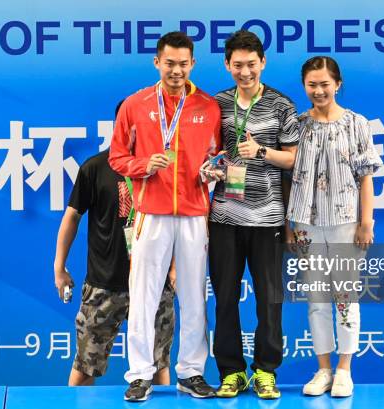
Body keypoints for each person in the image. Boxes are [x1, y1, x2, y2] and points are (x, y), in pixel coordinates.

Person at [109, 31, 221, 401]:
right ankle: (140, 374)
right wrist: (143, 165)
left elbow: (215, 156)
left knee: (193, 297)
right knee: (143, 295)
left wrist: (212, 171)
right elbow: (116, 158)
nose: (176, 70)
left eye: (183, 63)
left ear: (193, 65)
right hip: (151, 213)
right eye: (169, 63)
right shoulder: (135, 105)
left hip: (193, 213)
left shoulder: (208, 106)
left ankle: (190, 372)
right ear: (157, 62)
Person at [208, 30, 299, 400]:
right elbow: (209, 153)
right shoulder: (216, 104)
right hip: (224, 217)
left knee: (269, 299)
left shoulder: (281, 105)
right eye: (237, 65)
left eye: (251, 64)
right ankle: (231, 372)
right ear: (227, 65)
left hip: (268, 219)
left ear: (263, 62)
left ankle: (265, 370)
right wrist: (210, 168)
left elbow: (292, 159)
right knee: (225, 298)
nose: (245, 72)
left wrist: (261, 152)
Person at [286, 56, 382, 398]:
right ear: (305, 87)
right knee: (316, 299)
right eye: (312, 85)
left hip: (345, 222)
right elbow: (288, 176)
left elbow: (367, 176)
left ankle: (344, 369)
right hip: (306, 223)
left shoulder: (357, 124)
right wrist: (289, 223)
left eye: (325, 84)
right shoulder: (297, 125)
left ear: (337, 84)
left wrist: (365, 221)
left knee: (345, 296)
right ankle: (323, 368)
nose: (319, 90)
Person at [53, 140, 176, 387]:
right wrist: (59, 267)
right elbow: (72, 216)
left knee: (157, 366)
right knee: (85, 367)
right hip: (103, 285)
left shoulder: (163, 167)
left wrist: (173, 268)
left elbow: (175, 221)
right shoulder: (95, 167)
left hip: (153, 285)